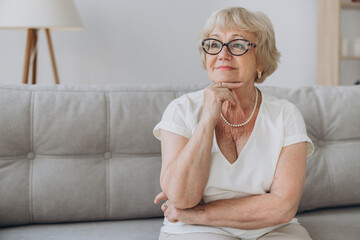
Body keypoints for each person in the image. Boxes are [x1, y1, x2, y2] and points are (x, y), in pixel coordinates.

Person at [153, 7, 314, 240]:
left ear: (261, 60)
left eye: (238, 45)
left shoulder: (286, 115)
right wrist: (208, 118)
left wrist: (194, 214)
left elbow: (282, 207)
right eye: (214, 44)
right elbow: (181, 198)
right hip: (196, 231)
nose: (223, 54)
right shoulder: (180, 110)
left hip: (271, 228)